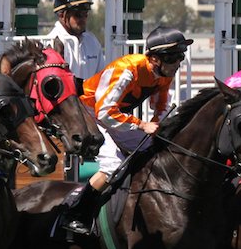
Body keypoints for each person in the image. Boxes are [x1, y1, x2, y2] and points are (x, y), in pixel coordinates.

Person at [57, 27, 192, 236]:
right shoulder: (128, 69)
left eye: (181, 56)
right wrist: (141, 125)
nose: (179, 62)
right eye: (174, 57)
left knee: (155, 150)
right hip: (91, 113)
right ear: (155, 59)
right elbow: (104, 113)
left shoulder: (164, 74)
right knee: (113, 165)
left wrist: (159, 127)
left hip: (115, 116)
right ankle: (75, 213)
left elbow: (161, 107)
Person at [45, 0, 102, 91]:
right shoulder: (50, 43)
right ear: (62, 16)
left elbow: (101, 77)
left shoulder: (92, 41)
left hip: (90, 105)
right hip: (65, 105)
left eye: (85, 14)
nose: (83, 19)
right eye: (78, 14)